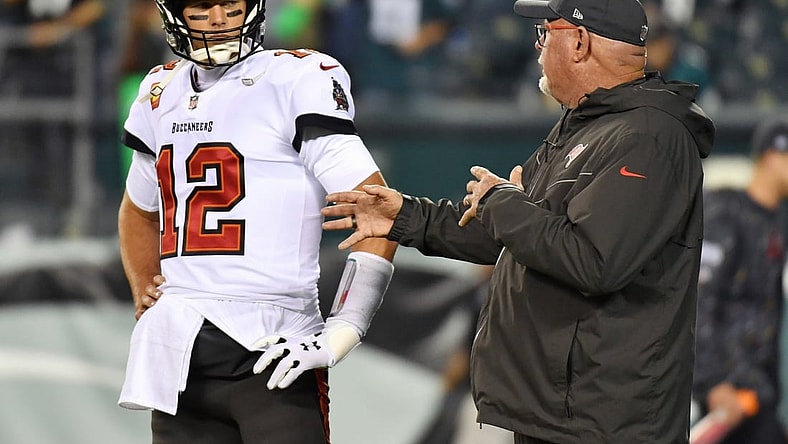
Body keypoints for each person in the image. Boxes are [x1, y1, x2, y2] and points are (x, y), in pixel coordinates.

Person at [320, 0, 716, 441]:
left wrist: (503, 203)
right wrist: (404, 216)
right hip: (561, 412)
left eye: (546, 32)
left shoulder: (650, 138)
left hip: (606, 422)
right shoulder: (588, 126)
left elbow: (595, 261)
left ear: (581, 41)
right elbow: (511, 239)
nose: (538, 46)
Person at [116, 0, 397, 443]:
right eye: (202, 8)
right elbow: (137, 208)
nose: (218, 21)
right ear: (173, 15)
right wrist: (144, 285)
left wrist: (345, 327)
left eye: (230, 6)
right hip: (180, 349)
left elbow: (378, 210)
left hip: (273, 347)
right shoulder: (159, 90)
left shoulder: (294, 78)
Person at [692, 117, 788, 444]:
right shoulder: (727, 215)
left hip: (761, 392)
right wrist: (713, 383)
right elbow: (699, 300)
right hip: (729, 395)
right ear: (773, 156)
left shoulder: (775, 223)